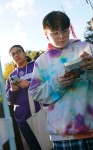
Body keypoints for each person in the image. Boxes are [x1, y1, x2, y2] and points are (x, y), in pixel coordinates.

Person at [28, 11, 93, 149]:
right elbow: (35, 93)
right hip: (63, 134)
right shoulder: (41, 61)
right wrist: (57, 84)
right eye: (55, 33)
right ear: (46, 34)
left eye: (65, 31)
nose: (62, 37)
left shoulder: (87, 48)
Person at [5, 45, 42, 150]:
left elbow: (47, 82)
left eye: (18, 52)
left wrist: (29, 83)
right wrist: (13, 90)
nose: (16, 55)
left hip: (42, 113)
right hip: (23, 119)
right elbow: (8, 101)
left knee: (50, 144)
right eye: (13, 54)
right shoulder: (11, 76)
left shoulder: (36, 65)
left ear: (24, 53)